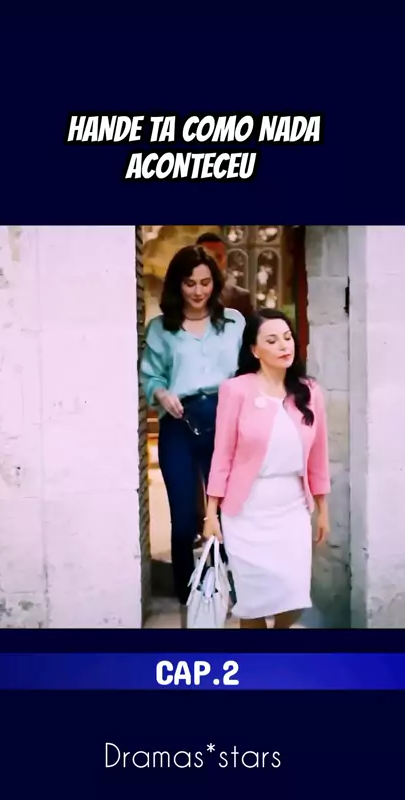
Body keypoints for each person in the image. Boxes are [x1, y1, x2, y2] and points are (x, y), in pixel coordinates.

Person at [203, 308, 330, 629]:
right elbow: (222, 454)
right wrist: (211, 514)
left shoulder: (309, 391)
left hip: (291, 508)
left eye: (287, 337)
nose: (284, 345)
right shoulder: (235, 390)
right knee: (253, 603)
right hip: (246, 511)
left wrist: (322, 510)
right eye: (272, 340)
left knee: (293, 595)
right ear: (255, 350)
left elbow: (318, 455)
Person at [139, 245, 245, 617]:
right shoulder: (161, 328)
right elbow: (150, 376)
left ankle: (230, 591)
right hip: (179, 423)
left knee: (229, 513)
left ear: (215, 283)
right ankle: (191, 601)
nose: (198, 291)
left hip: (225, 422)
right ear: (177, 285)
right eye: (189, 283)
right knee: (184, 519)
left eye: (205, 282)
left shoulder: (233, 323)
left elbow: (248, 372)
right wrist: (161, 394)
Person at [196, 232, 254, 318]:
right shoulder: (182, 293)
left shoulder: (241, 297)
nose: (213, 262)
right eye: (207, 257)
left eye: (218, 257)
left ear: (225, 259)